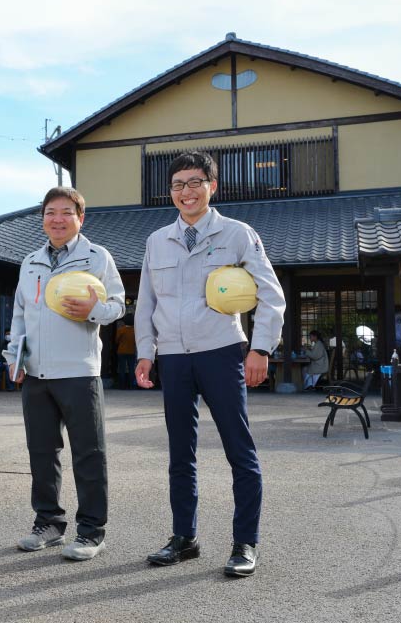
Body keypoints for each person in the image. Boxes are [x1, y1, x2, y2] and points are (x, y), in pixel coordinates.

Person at [134, 151, 284, 578]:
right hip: (174, 357)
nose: (187, 191)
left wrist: (261, 349)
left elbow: (271, 294)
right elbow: (146, 302)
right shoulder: (156, 240)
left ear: (212, 186)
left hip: (221, 351)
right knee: (181, 454)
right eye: (179, 184)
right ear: (171, 192)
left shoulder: (237, 234)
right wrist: (147, 352)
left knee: (240, 450)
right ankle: (185, 538)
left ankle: (245, 542)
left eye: (195, 182)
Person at [5, 186, 126, 561]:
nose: (57, 219)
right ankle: (49, 523)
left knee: (89, 453)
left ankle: (92, 531)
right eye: (50, 212)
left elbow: (119, 305)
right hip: (36, 373)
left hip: (79, 372)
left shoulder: (96, 257)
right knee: (42, 452)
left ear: (80, 218)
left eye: (65, 212)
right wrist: (15, 358)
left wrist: (94, 308)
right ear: (42, 219)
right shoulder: (30, 261)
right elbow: (21, 315)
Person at [115, 315, 137, 389]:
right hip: (131, 351)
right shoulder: (135, 330)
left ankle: (122, 386)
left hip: (121, 351)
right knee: (131, 369)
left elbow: (117, 340)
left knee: (122, 369)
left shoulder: (121, 330)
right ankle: (131, 386)